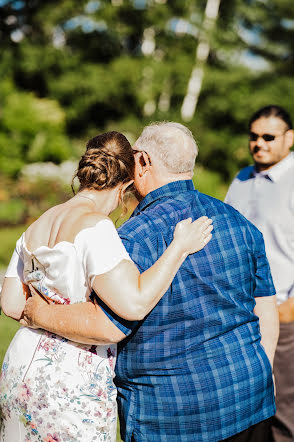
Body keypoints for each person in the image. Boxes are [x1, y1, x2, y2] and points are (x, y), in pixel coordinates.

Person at [21, 122, 278, 442]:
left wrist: (38, 313)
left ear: (142, 161)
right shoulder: (239, 222)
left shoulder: (131, 239)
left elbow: (108, 326)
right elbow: (267, 308)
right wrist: (257, 372)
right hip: (251, 400)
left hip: (169, 414)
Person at [0, 130, 213, 442]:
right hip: (69, 378)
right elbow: (134, 303)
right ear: (124, 185)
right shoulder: (95, 227)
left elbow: (11, 304)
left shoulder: (38, 223)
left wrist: (44, 312)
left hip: (20, 367)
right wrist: (178, 248)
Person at [225, 105, 294, 442]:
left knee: (283, 411)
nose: (259, 143)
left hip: (283, 316)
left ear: (289, 138)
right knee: (245, 412)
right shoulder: (240, 179)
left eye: (269, 136)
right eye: (254, 136)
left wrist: (289, 308)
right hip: (240, 317)